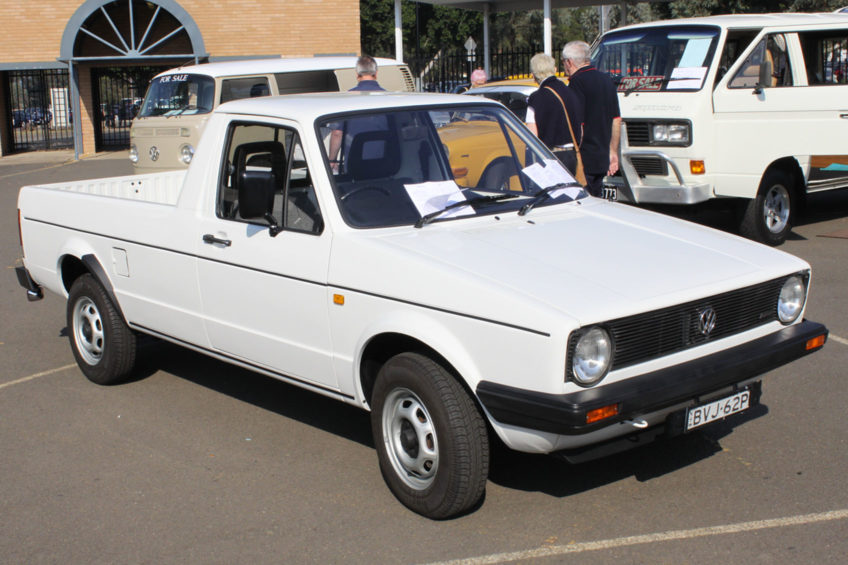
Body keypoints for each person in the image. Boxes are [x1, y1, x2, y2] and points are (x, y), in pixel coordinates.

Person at [562, 40, 621, 197]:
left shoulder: (576, 83)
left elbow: (578, 124)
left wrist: (574, 155)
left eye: (563, 62)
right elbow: (616, 119)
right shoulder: (607, 81)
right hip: (602, 157)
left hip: (585, 159)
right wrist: (613, 151)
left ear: (569, 62)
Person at [525, 53, 584, 176]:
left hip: (550, 156)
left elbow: (532, 135)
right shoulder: (571, 92)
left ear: (533, 75)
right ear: (554, 70)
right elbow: (581, 128)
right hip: (572, 155)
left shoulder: (537, 98)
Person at [328, 55, 386, 170]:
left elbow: (337, 133)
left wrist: (332, 160)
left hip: (355, 162)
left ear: (357, 75)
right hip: (385, 162)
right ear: (376, 74)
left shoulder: (347, 99)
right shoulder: (389, 98)